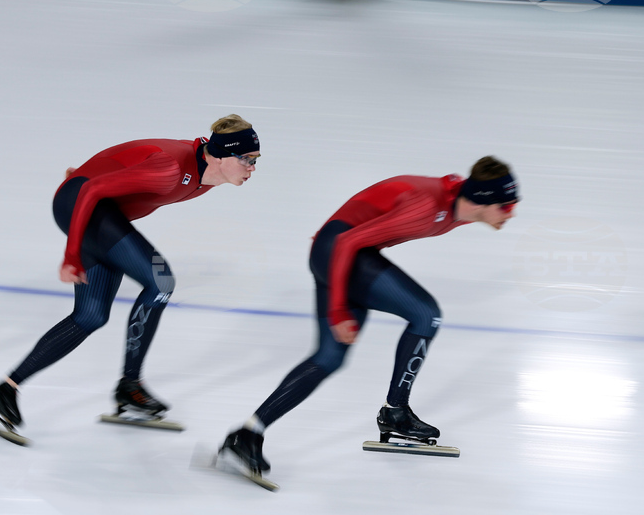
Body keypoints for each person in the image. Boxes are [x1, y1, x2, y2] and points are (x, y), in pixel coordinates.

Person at [219, 156, 519, 477]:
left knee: (329, 358)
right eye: (506, 207)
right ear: (483, 201)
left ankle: (248, 433)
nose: (511, 213)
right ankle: (395, 413)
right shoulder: (428, 207)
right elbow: (349, 240)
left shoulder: (462, 205)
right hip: (340, 250)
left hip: (341, 252)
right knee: (426, 315)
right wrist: (337, 310)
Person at [0, 114, 260, 434]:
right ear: (219, 155)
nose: (252, 168)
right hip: (83, 204)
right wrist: (71, 255)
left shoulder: (206, 178)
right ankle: (130, 387)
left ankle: (4, 391)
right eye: (246, 159)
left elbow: (120, 166)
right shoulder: (170, 168)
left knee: (90, 316)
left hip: (99, 212)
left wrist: (86, 174)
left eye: (255, 160)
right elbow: (93, 189)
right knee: (161, 281)